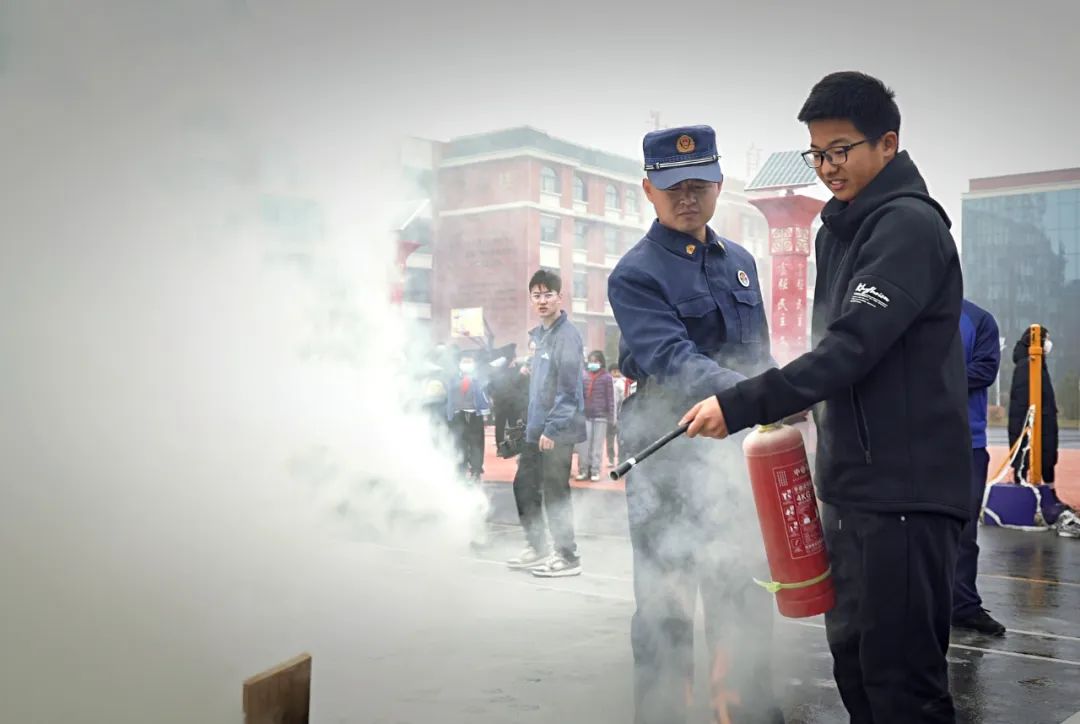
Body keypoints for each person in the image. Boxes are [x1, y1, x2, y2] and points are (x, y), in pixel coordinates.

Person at [680, 72, 970, 723]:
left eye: (842, 149)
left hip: (906, 494)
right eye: (818, 153)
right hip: (852, 491)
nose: (828, 167)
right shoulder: (842, 229)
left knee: (902, 688)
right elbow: (848, 360)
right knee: (858, 674)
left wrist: (742, 403)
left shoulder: (908, 229)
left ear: (887, 144)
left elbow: (852, 346)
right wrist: (794, 401)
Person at [607, 124, 783, 724]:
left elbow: (756, 355)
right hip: (668, 459)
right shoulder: (635, 274)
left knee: (743, 595)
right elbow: (675, 362)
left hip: (736, 458)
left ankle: (747, 713)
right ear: (648, 192)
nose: (687, 197)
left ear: (718, 184)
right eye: (672, 186)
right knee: (666, 609)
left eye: (699, 184)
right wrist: (765, 396)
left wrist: (783, 390)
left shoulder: (740, 262)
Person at [506, 269, 587, 577]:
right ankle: (538, 546)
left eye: (547, 294)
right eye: (536, 295)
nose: (541, 301)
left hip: (559, 429)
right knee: (524, 485)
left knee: (555, 491)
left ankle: (567, 556)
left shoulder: (567, 336)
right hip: (536, 428)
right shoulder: (539, 337)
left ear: (559, 297)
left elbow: (569, 389)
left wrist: (553, 428)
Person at [953, 299, 1006, 636]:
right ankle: (913, 606)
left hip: (966, 444)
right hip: (915, 443)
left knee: (963, 530)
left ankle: (963, 606)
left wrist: (933, 375)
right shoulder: (908, 311)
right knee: (911, 529)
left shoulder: (977, 319)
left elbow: (985, 369)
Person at [1008, 326, 1059, 484]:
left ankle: (1048, 493)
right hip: (1034, 422)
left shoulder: (1038, 363)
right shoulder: (1028, 365)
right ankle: (1026, 490)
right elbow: (1022, 403)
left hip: (1043, 419)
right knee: (1028, 458)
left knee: (1047, 458)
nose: (1049, 344)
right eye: (1047, 339)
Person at [446, 350, 489, 481]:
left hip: (474, 415)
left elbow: (484, 396)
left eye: (469, 362)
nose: (467, 364)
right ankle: (461, 467)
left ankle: (476, 469)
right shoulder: (454, 378)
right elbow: (450, 397)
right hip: (458, 414)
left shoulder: (479, 378)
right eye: (464, 361)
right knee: (460, 442)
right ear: (459, 363)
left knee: (476, 443)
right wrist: (449, 414)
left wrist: (485, 413)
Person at [575, 350, 614, 481]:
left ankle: (595, 470)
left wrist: (611, 417)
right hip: (585, 416)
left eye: (596, 361)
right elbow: (579, 396)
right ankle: (583, 470)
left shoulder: (607, 377)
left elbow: (610, 398)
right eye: (591, 361)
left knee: (597, 446)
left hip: (601, 416)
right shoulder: (583, 376)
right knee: (583, 446)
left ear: (601, 362)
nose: (593, 363)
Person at [608, 363, 628, 466]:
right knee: (614, 440)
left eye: (617, 371)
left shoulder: (625, 382)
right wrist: (614, 417)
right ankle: (613, 460)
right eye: (614, 371)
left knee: (624, 440)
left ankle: (623, 461)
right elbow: (615, 402)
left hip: (627, 416)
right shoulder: (617, 384)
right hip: (618, 416)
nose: (616, 373)